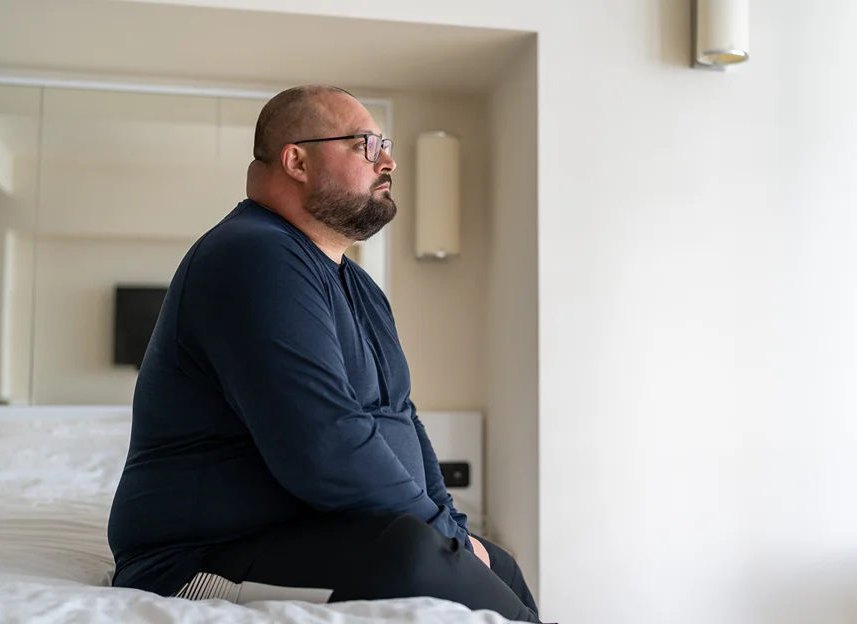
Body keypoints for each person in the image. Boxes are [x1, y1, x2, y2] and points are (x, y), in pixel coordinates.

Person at [107, 85, 541, 623]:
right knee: (416, 558)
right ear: (297, 160)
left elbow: (402, 418)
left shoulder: (358, 285)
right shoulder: (251, 255)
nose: (389, 159)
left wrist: (452, 528)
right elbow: (324, 444)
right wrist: (440, 538)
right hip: (199, 557)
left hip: (308, 532)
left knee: (499, 564)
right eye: (366, 144)